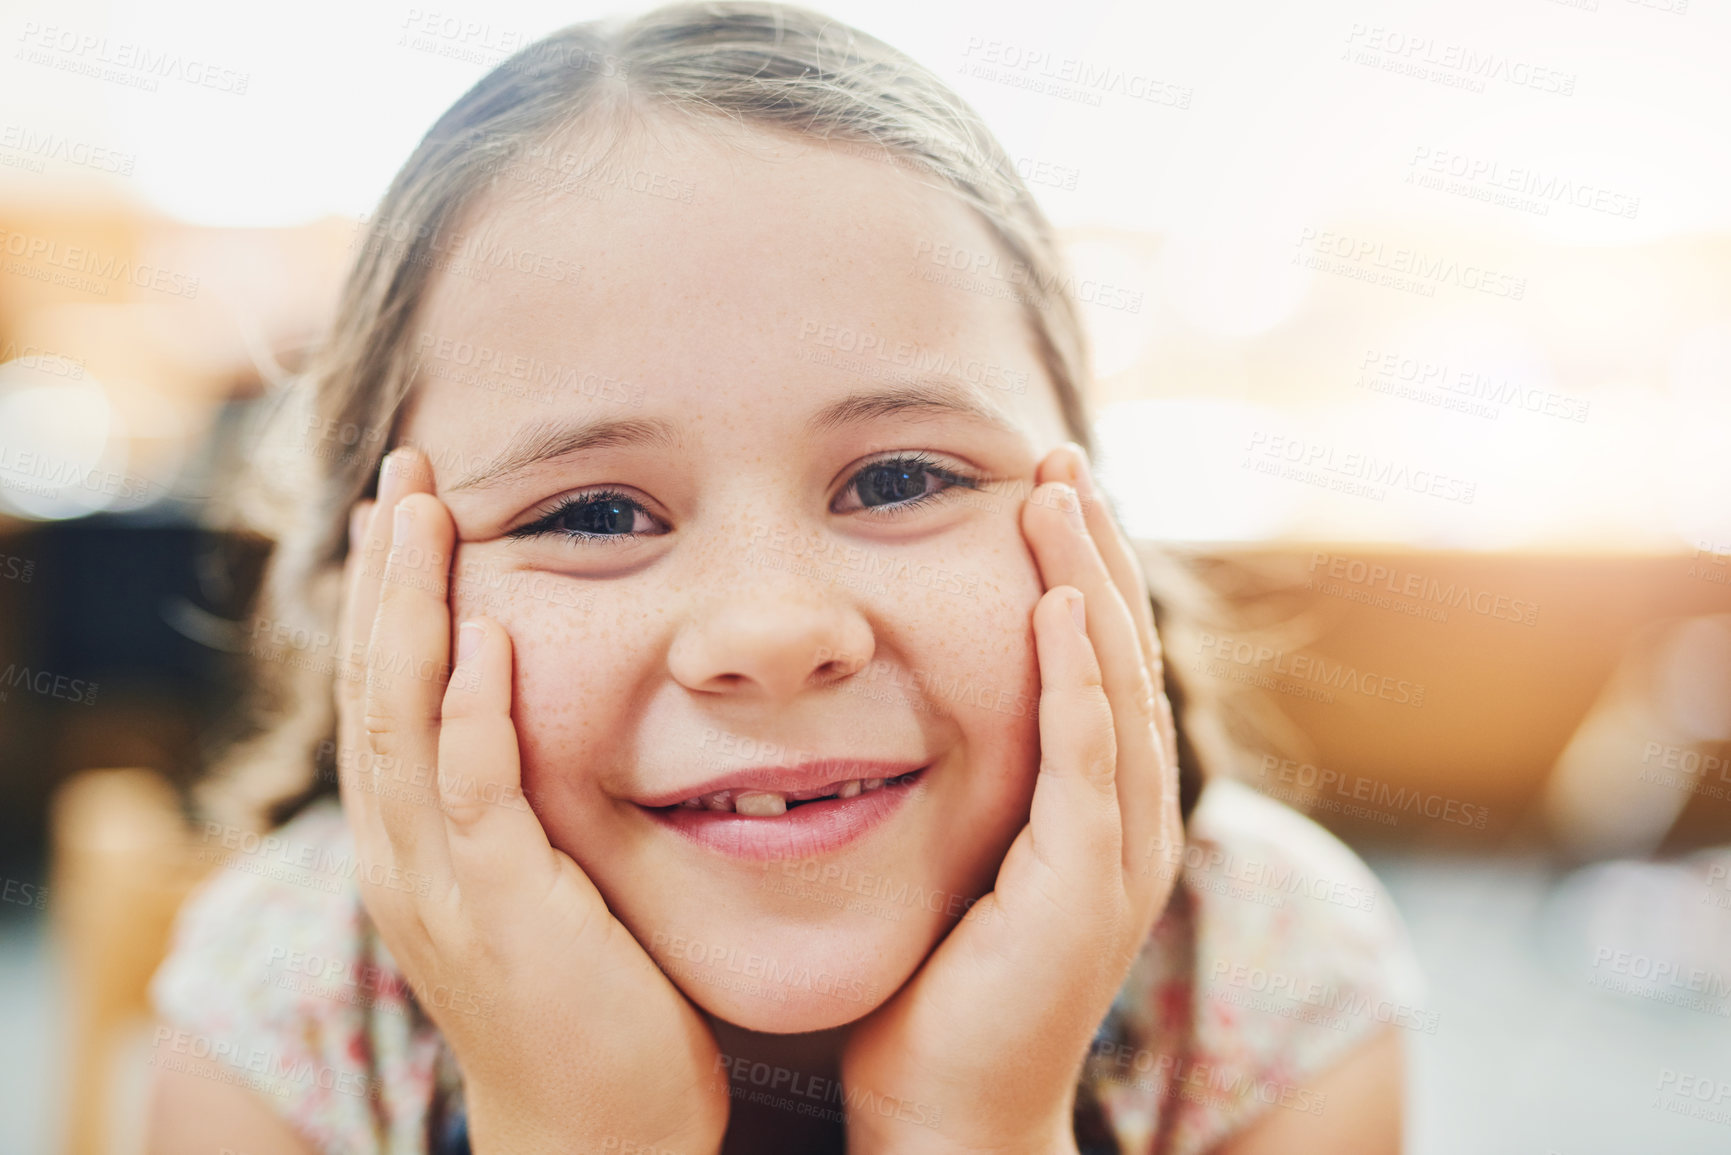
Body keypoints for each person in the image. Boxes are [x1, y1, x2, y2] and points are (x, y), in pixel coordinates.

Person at [146, 5, 1420, 1152]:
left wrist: (971, 1136)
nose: (773, 630)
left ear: (1095, 525)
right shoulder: (287, 1003)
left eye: (902, 479)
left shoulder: (1269, 976)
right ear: (377, 603)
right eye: (594, 510)